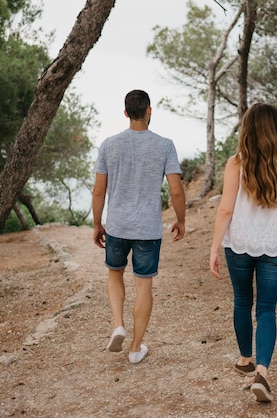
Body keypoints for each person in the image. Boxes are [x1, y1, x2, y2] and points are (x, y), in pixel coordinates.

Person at [209, 103, 277, 402]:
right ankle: (262, 370)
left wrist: (213, 248)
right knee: (266, 309)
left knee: (241, 300)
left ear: (246, 129)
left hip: (239, 242)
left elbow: (225, 209)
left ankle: (246, 359)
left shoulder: (237, 162)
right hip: (275, 244)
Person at [93, 89, 186, 365]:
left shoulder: (109, 145)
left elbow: (99, 191)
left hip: (118, 227)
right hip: (147, 228)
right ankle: (135, 349)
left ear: (125, 113)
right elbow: (176, 191)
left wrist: (98, 224)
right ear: (149, 110)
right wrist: (181, 220)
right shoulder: (165, 145)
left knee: (114, 274)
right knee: (144, 286)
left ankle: (119, 325)